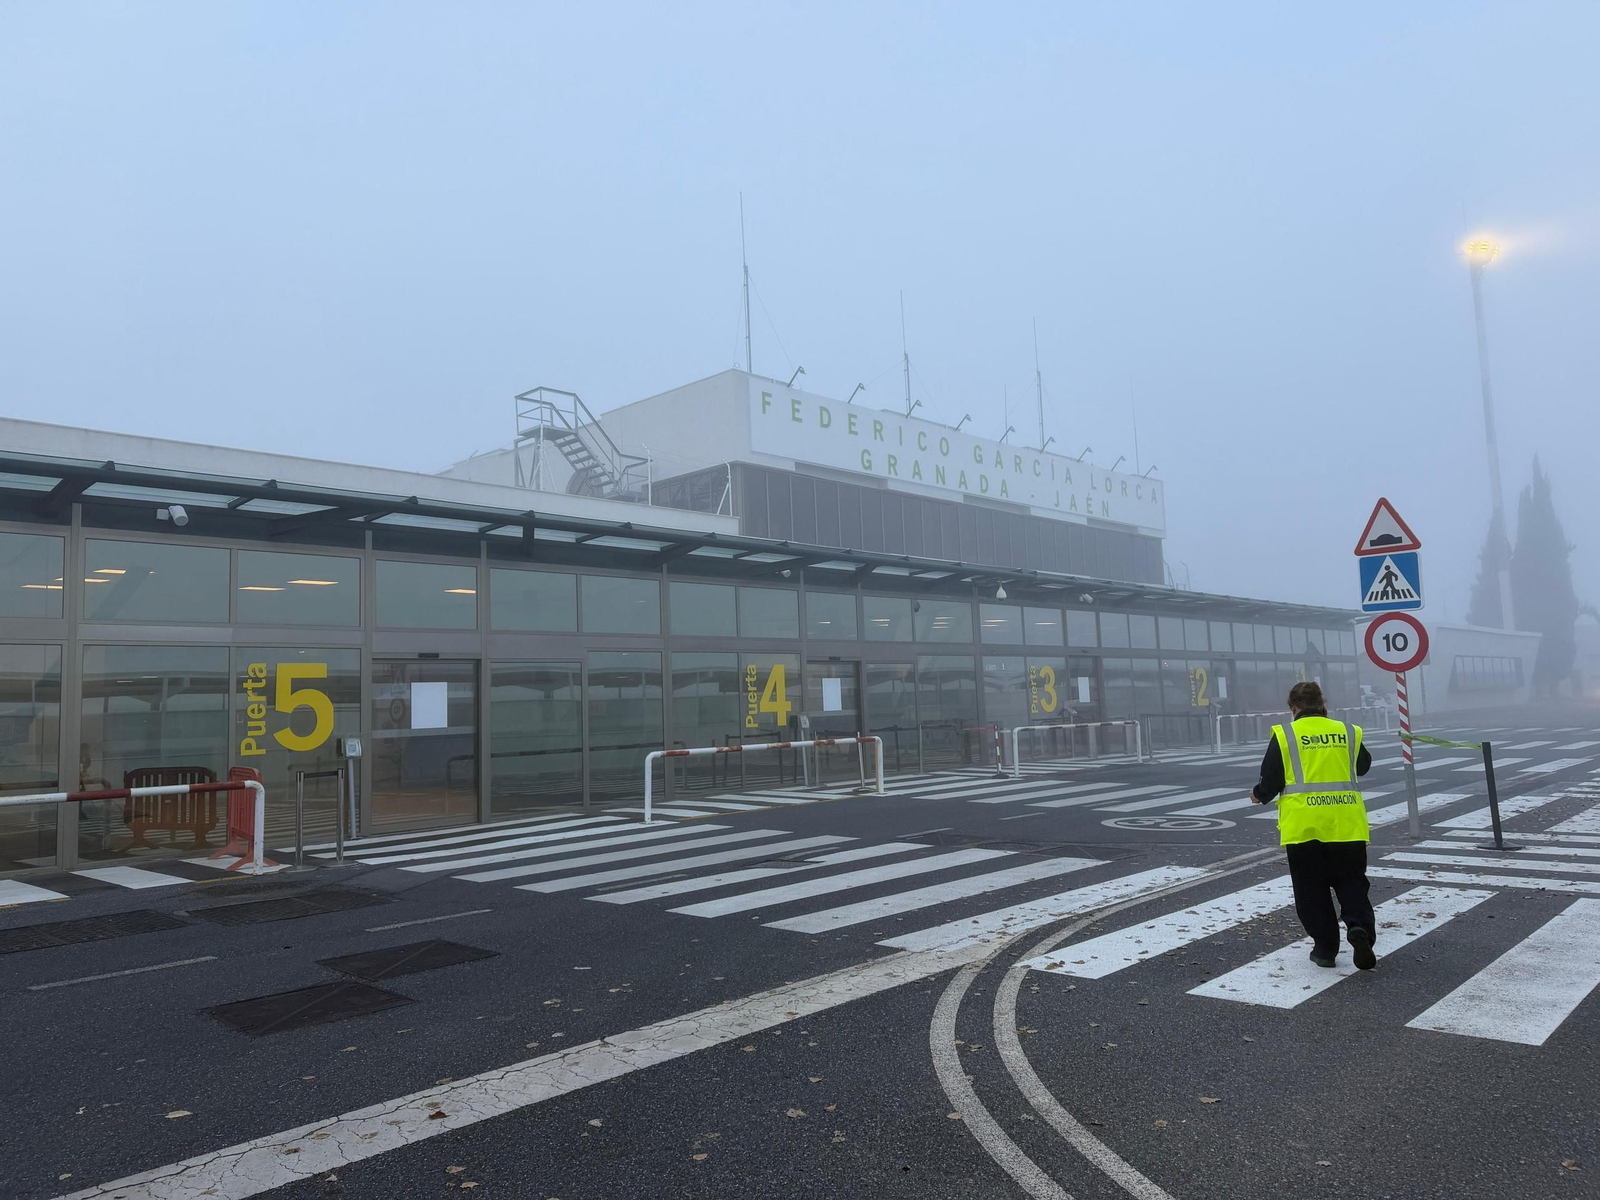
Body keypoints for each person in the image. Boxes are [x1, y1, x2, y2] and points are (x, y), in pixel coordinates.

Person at [1250, 681, 1377, 970]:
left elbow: (1271, 778)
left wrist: (1259, 795)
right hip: (1346, 824)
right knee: (1352, 883)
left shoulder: (1286, 735)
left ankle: (1325, 949)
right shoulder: (1347, 731)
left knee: (1311, 889)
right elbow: (1362, 767)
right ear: (1323, 706)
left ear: (1293, 708)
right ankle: (1360, 930)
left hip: (1304, 827)